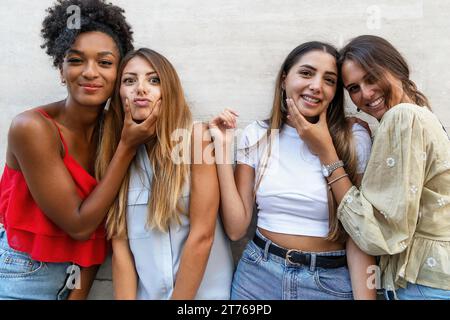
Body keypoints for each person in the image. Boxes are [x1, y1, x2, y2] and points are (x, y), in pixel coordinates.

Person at [0, 0, 157, 300]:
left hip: (77, 278)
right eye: (75, 60)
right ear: (61, 70)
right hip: (22, 276)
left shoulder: (115, 131)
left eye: (105, 62)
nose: (90, 72)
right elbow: (80, 225)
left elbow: (98, 232)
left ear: (118, 75)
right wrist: (126, 147)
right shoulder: (32, 128)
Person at [209, 42, 376, 300]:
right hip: (257, 276)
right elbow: (235, 228)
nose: (316, 86)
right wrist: (222, 150)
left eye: (329, 80)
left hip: (328, 282)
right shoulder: (257, 135)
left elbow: (361, 233)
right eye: (307, 73)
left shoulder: (354, 138)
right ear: (285, 80)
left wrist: (325, 149)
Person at [287, 35, 450, 300]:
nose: (366, 94)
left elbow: (375, 232)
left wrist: (326, 152)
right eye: (353, 88)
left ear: (396, 68)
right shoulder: (419, 114)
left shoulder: (403, 117)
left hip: (422, 284)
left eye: (372, 78)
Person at [96, 48, 234, 300]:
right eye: (129, 80)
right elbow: (120, 247)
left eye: (154, 80)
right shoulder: (114, 155)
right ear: (119, 94)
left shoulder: (196, 139)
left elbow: (202, 236)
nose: (141, 88)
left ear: (168, 90)